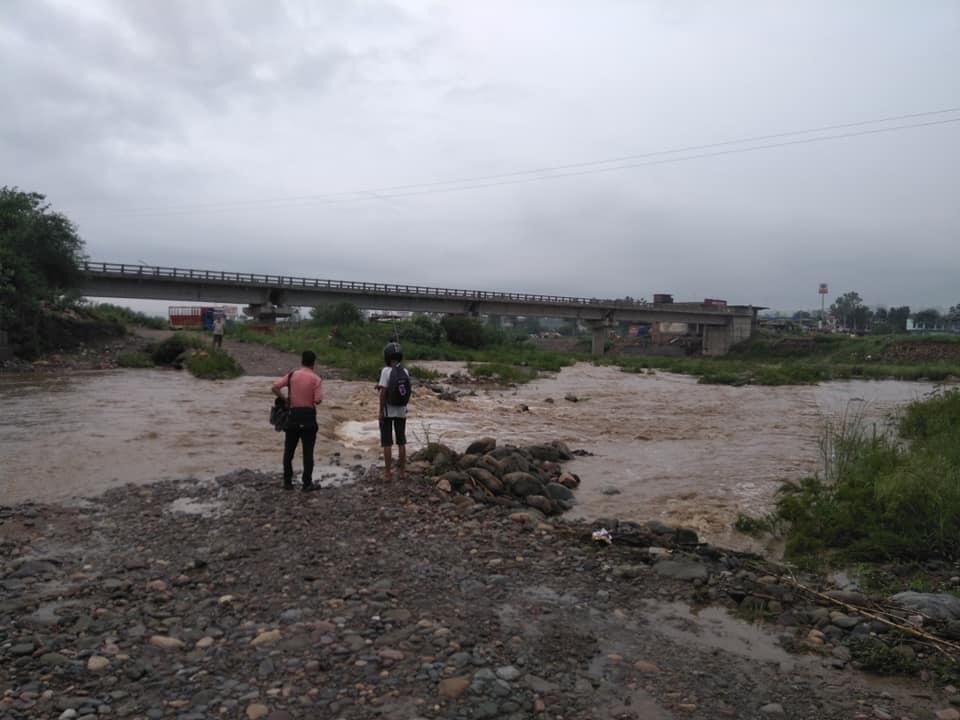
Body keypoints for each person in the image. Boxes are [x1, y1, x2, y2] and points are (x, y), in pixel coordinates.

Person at [271, 351, 323, 491]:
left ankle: (287, 482)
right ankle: (307, 484)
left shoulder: (292, 375)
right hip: (308, 417)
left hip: (293, 416)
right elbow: (318, 400)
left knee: (289, 451)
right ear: (313, 363)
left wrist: (285, 399)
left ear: (302, 361)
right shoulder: (316, 379)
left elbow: (274, 387)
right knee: (308, 452)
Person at [376, 342, 411, 482]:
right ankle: (402, 472)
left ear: (387, 356)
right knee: (401, 442)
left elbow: (384, 392)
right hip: (401, 411)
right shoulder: (406, 371)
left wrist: (380, 411)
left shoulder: (385, 371)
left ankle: (387, 474)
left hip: (388, 411)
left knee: (387, 443)